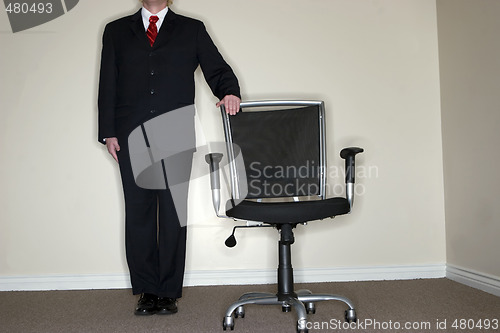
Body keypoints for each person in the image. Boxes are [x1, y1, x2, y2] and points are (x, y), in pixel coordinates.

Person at [97, 0, 241, 315]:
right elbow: (108, 81)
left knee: (174, 215)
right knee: (139, 215)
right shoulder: (117, 31)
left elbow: (216, 67)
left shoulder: (192, 29)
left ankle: (168, 291)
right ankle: (147, 290)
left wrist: (228, 91)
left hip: (175, 133)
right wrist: (108, 131)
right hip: (130, 134)